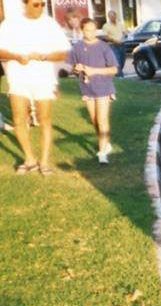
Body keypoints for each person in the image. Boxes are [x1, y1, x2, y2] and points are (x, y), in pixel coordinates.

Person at [0, 0, 71, 175]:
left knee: (44, 118)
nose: (40, 8)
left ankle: (44, 161)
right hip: (18, 77)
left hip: (44, 78)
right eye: (35, 4)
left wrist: (44, 57)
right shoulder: (10, 24)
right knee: (19, 118)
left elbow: (64, 52)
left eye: (42, 4)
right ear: (25, 5)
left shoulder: (50, 24)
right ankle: (29, 159)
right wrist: (17, 57)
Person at [68, 17, 118, 164]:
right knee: (95, 120)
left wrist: (94, 71)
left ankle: (102, 153)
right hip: (87, 88)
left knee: (102, 120)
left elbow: (114, 69)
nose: (91, 33)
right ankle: (105, 143)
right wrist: (76, 69)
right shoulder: (77, 47)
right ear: (82, 30)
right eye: (87, 30)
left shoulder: (104, 47)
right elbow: (71, 68)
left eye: (93, 30)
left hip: (103, 87)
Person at [103, 10, 126, 77]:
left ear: (116, 16)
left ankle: (117, 72)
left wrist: (124, 37)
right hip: (113, 46)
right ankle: (120, 76)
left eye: (114, 16)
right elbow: (105, 37)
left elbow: (125, 32)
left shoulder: (120, 24)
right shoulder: (106, 26)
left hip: (122, 44)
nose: (113, 18)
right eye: (111, 16)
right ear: (109, 17)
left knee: (122, 61)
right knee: (117, 61)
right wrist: (114, 40)